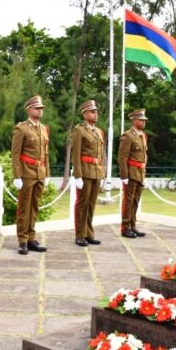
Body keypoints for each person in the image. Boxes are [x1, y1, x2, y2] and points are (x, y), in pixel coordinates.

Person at [11, 95, 50, 255]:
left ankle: (31, 238)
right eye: (37, 108)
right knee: (24, 208)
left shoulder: (43, 129)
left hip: (40, 173)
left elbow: (46, 153)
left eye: (41, 109)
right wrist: (17, 176)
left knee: (34, 207)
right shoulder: (22, 128)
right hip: (26, 173)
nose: (40, 111)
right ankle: (22, 240)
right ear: (29, 109)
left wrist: (47, 173)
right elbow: (15, 154)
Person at [71, 99, 105, 247]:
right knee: (82, 204)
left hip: (96, 172)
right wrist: (77, 175)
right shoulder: (79, 130)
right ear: (84, 114)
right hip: (85, 171)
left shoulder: (98, 131)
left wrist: (102, 172)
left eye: (96, 111)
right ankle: (80, 235)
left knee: (91, 204)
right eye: (92, 112)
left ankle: (89, 233)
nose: (95, 114)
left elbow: (101, 154)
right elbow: (76, 153)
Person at [118, 108, 148, 239]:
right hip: (130, 173)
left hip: (140, 172)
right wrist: (124, 176)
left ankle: (133, 225)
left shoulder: (142, 135)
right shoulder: (128, 136)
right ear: (134, 121)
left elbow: (144, 156)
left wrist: (144, 172)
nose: (144, 122)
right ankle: (125, 227)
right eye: (141, 120)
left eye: (144, 120)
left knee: (135, 201)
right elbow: (122, 157)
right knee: (128, 201)